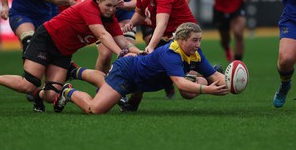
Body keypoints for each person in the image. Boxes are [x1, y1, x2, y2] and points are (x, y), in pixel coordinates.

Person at [0, 0, 144, 112]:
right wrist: (121, 53)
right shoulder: (88, 7)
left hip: (63, 52)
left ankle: (39, 96)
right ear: (97, 0)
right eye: (108, 6)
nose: (112, 10)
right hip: (46, 40)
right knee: (28, 84)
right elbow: (103, 36)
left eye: (114, 6)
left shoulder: (109, 17)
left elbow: (124, 42)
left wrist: (142, 53)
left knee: (52, 95)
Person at [53, 22, 229, 115]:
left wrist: (231, 84)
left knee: (114, 91)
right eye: (194, 40)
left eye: (200, 40)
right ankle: (68, 92)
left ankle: (75, 71)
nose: (198, 44)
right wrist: (208, 89)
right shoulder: (171, 54)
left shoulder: (195, 53)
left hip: (142, 80)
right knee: (95, 109)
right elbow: (181, 85)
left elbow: (214, 75)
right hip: (127, 73)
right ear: (181, 40)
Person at [122, 0, 197, 103]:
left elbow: (161, 24)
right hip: (168, 38)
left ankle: (205, 78)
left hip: (184, 38)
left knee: (186, 92)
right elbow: (139, 12)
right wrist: (131, 23)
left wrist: (150, 47)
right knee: (144, 69)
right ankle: (133, 103)